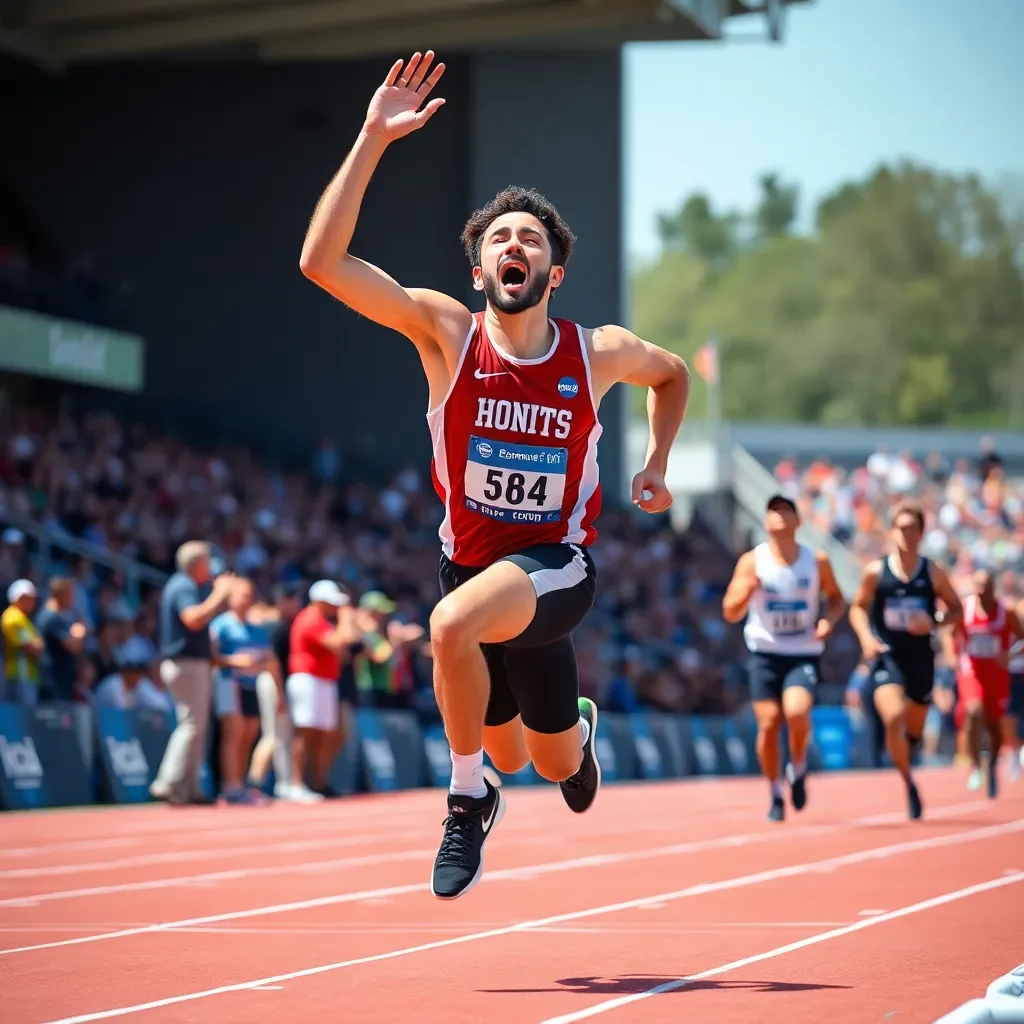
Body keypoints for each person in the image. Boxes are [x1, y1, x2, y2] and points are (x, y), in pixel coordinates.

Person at [300, 50, 689, 900]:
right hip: (475, 570)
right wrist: (370, 138)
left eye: (532, 239)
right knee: (535, 755)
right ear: (479, 273)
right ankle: (569, 744)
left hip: (559, 565)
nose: (515, 245)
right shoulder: (446, 333)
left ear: (554, 273)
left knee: (447, 628)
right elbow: (322, 265)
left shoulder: (598, 353)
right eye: (499, 239)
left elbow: (674, 375)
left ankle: (466, 797)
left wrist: (657, 464)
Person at [722, 495, 846, 821]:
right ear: (765, 522)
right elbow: (730, 611)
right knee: (768, 725)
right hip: (764, 652)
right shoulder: (752, 561)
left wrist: (827, 622)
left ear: (797, 521)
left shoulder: (816, 561)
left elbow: (836, 599)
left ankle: (799, 762)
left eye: (785, 509)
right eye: (772, 510)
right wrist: (748, 590)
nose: (778, 514)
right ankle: (775, 793)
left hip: (802, 652)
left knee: (797, 711)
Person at [848, 501, 963, 819]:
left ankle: (908, 748)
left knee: (913, 728)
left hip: (921, 660)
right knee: (893, 716)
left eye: (912, 528)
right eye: (900, 528)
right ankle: (909, 782)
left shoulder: (932, 571)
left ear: (921, 533)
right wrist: (867, 639)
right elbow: (857, 607)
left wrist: (935, 620)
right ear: (891, 531)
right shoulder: (876, 572)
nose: (905, 534)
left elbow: (956, 608)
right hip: (887, 657)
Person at [150, 541, 235, 806]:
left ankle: (190, 788)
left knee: (196, 726)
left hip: (189, 664)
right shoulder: (183, 586)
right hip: (186, 664)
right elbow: (192, 618)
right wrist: (220, 595)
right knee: (191, 725)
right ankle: (167, 781)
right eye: (207, 562)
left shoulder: (187, 586)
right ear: (198, 564)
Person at [948, 570, 1023, 798]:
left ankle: (991, 764)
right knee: (973, 711)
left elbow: (1021, 638)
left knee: (995, 727)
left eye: (985, 586)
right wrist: (954, 658)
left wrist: (1009, 655)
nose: (980, 591)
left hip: (997, 674)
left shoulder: (1006, 612)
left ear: (993, 588)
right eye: (977, 586)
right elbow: (950, 633)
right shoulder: (964, 610)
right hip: (971, 672)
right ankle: (975, 764)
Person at [285, 580, 360, 803]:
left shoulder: (322, 621)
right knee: (305, 733)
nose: (335, 607)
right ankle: (296, 783)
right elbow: (342, 642)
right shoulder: (310, 619)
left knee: (324, 734)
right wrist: (347, 615)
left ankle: (319, 782)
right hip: (308, 679)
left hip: (323, 680)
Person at [210, 577, 275, 805]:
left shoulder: (257, 629)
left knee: (248, 735)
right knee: (233, 734)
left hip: (252, 685)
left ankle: (242, 784)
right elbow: (210, 658)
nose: (247, 601)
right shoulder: (221, 625)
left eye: (250, 596)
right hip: (230, 684)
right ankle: (230, 786)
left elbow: (268, 658)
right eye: (242, 596)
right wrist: (233, 662)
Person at [36, 577, 88, 703]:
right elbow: (72, 645)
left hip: (62, 685)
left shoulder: (61, 617)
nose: (72, 599)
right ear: (62, 594)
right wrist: (80, 629)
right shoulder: (49, 617)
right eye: (71, 594)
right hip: (52, 685)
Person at [2, 579, 42, 706]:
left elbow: (38, 645)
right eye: (27, 597)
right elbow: (31, 647)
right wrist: (36, 644)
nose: (32, 602)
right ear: (17, 598)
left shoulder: (24, 619)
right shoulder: (12, 617)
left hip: (27, 675)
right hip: (18, 675)